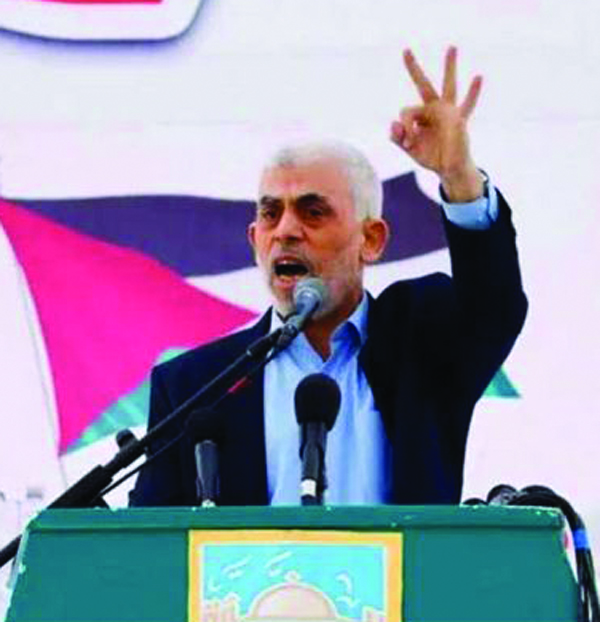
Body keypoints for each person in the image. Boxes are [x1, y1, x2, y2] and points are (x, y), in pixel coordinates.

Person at [130, 47, 527, 507]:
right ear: (254, 239)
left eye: (313, 212)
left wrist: (458, 177)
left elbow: (494, 306)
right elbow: (149, 540)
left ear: (371, 239)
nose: (286, 231)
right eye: (271, 213)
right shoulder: (194, 388)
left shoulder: (423, 346)